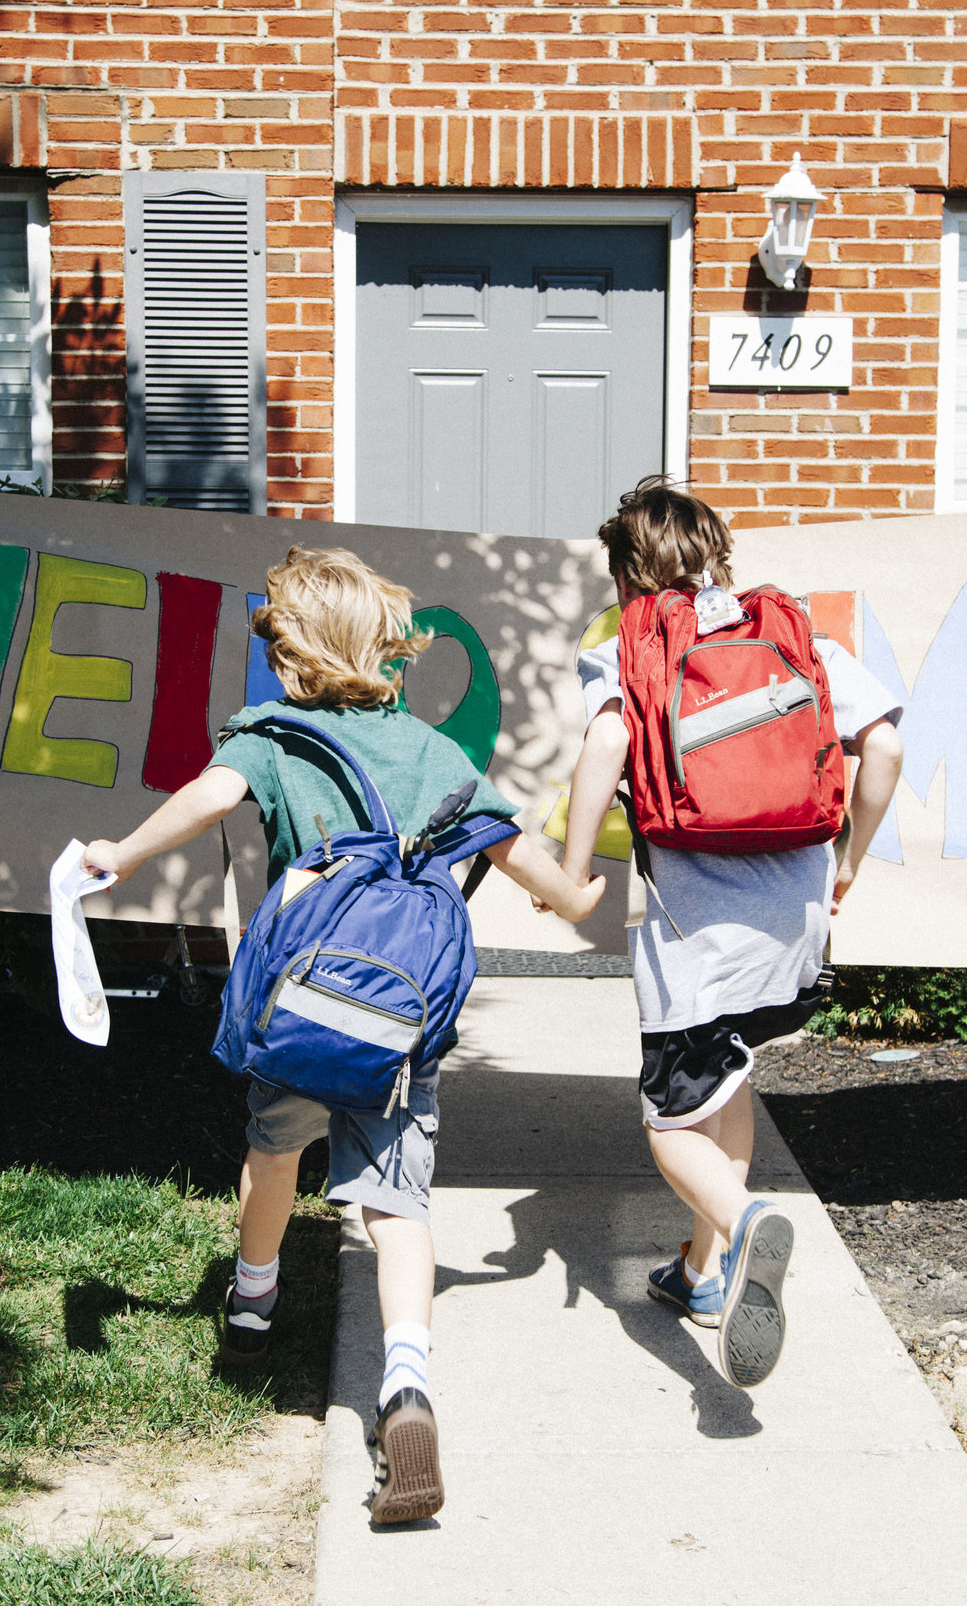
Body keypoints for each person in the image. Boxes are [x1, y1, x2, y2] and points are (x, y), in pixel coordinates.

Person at [78, 545, 605, 1525]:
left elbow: (206, 799)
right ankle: (406, 1388)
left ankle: (250, 1300)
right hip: (397, 1021)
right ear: (385, 654)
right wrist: (572, 891)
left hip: (301, 1004)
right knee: (396, 1203)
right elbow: (513, 849)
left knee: (272, 1150)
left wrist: (121, 852)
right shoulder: (432, 751)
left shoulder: (272, 738)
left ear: (287, 661)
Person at [548, 477, 904, 1385]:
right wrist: (850, 859)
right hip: (792, 921)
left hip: (694, 927)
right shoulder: (795, 635)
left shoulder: (633, 646)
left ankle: (745, 1226)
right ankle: (702, 1274)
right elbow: (887, 744)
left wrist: (574, 869)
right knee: (729, 1077)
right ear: (719, 553)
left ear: (628, 574)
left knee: (672, 1124)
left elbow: (605, 747)